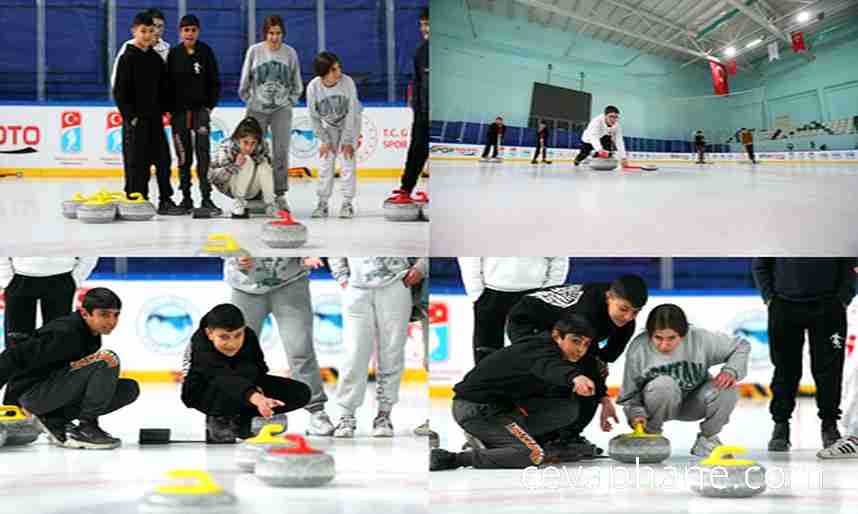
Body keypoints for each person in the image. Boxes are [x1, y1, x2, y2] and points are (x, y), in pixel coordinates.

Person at [430, 316, 617, 470]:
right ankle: (455, 459)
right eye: (575, 341)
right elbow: (549, 366)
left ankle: (496, 442)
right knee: (532, 455)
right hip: (478, 409)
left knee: (566, 409)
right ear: (557, 336)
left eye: (585, 344)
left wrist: (604, 398)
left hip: (501, 408)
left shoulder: (555, 351)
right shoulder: (539, 352)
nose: (580, 350)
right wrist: (575, 378)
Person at [505, 274, 648, 452]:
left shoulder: (626, 322)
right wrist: (604, 398)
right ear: (608, 297)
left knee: (588, 375)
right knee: (562, 372)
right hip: (528, 322)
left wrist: (601, 388)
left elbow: (601, 360)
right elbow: (588, 363)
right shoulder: (586, 314)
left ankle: (569, 434)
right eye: (624, 309)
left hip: (563, 321)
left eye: (636, 311)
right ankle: (541, 435)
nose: (628, 317)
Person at [0, 288, 138, 449]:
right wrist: (13, 404)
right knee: (107, 359)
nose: (112, 321)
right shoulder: (65, 332)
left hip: (50, 393)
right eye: (104, 314)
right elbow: (13, 356)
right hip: (31, 397)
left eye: (116, 315)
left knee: (128, 388)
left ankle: (55, 419)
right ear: (85, 313)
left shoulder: (92, 336)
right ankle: (87, 427)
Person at [617, 304, 749, 457]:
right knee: (664, 384)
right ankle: (650, 435)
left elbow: (741, 345)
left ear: (684, 334)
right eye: (658, 338)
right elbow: (629, 395)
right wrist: (636, 415)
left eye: (671, 338)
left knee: (728, 388)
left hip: (695, 402)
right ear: (649, 334)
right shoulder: (638, 348)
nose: (664, 345)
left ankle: (707, 440)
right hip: (656, 404)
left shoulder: (701, 339)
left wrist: (730, 371)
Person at [223, 256, 335, 436]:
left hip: (291, 282)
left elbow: (313, 229)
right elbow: (220, 233)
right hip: (244, 284)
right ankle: (231, 413)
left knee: (300, 349)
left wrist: (312, 251)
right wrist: (232, 256)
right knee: (237, 352)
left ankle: (317, 412)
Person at [752, 258, 856, 450]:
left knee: (829, 370)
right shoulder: (776, 229)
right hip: (784, 305)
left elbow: (849, 264)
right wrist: (770, 298)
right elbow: (761, 263)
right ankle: (781, 425)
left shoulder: (834, 228)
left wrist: (842, 299)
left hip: (828, 307)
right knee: (785, 369)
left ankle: (829, 424)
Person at [181, 303, 311, 443]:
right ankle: (219, 418)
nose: (233, 344)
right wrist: (256, 398)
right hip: (203, 391)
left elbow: (259, 369)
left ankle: (243, 419)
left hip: (243, 387)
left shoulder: (249, 335)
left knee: (300, 392)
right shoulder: (200, 344)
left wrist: (260, 392)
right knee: (223, 383)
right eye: (224, 337)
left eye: (238, 335)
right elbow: (222, 376)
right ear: (209, 333)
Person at [328, 258, 427, 438]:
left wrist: (421, 267)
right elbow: (336, 241)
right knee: (354, 353)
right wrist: (341, 276)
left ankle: (384, 415)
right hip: (356, 288)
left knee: (392, 352)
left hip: (396, 285)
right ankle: (346, 415)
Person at [111, 9, 182, 215]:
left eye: (151, 31)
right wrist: (130, 117)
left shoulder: (156, 59)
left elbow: (165, 88)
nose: (148, 35)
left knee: (163, 160)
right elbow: (120, 92)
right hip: (135, 121)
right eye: (143, 31)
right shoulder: (127, 57)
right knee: (136, 162)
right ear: (134, 31)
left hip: (155, 119)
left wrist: (167, 110)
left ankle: (166, 200)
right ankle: (136, 198)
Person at [0, 258, 99, 404]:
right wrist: (7, 278)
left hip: (62, 277)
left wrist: (74, 279)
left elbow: (90, 245)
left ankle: (50, 407)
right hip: (19, 278)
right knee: (17, 345)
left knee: (59, 345)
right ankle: (14, 406)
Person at [239, 15, 303, 213]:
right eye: (271, 33)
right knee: (254, 150)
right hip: (257, 108)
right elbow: (245, 79)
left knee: (280, 151)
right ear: (265, 34)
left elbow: (296, 80)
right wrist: (249, 100)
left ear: (283, 34)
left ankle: (279, 193)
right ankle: (254, 192)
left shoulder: (290, 52)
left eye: (278, 33)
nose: (274, 37)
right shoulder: (255, 51)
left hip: (281, 109)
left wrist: (291, 100)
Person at [457, 257, 569, 363]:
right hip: (491, 293)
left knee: (535, 352)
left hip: (535, 293)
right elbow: (469, 257)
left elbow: (560, 259)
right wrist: (477, 293)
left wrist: (547, 292)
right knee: (486, 353)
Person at [167, 14, 222, 215]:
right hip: (180, 113)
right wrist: (171, 110)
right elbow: (166, 85)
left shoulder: (206, 52)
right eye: (186, 30)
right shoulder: (173, 54)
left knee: (203, 155)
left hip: (200, 112)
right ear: (180, 32)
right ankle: (186, 198)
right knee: (183, 157)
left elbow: (215, 81)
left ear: (198, 31)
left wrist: (209, 107)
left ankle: (206, 198)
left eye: (193, 30)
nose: (189, 33)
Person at [306, 51, 362, 219]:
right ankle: (322, 203)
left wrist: (347, 140)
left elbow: (352, 113)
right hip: (329, 125)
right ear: (323, 73)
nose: (339, 73)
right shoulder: (313, 87)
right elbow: (313, 117)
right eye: (334, 70)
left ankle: (347, 203)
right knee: (325, 163)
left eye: (339, 68)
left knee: (347, 162)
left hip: (349, 124)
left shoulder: (347, 82)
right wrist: (324, 139)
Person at [386, 8, 429, 205]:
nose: (424, 28)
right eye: (422, 24)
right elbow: (418, 82)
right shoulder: (421, 52)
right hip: (422, 113)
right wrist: (417, 108)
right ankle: (406, 189)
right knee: (416, 151)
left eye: (428, 24)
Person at [209, 117, 278, 218]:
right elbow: (214, 178)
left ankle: (270, 205)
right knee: (246, 160)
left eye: (253, 143)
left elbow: (268, 172)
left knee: (264, 164)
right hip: (230, 187)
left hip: (253, 189)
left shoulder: (263, 146)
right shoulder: (226, 146)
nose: (248, 147)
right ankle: (239, 203)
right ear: (238, 139)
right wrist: (235, 165)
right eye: (245, 142)